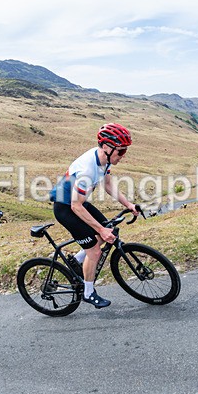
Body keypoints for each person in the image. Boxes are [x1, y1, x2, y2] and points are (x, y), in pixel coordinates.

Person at [50, 123, 137, 309]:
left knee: (108, 230)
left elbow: (107, 184)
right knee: (95, 249)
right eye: (121, 152)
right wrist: (100, 229)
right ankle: (88, 293)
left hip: (78, 203)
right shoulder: (87, 170)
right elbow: (75, 206)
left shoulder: (103, 160)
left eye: (125, 151)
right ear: (107, 147)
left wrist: (128, 204)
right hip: (66, 208)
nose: (123, 156)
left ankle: (78, 260)